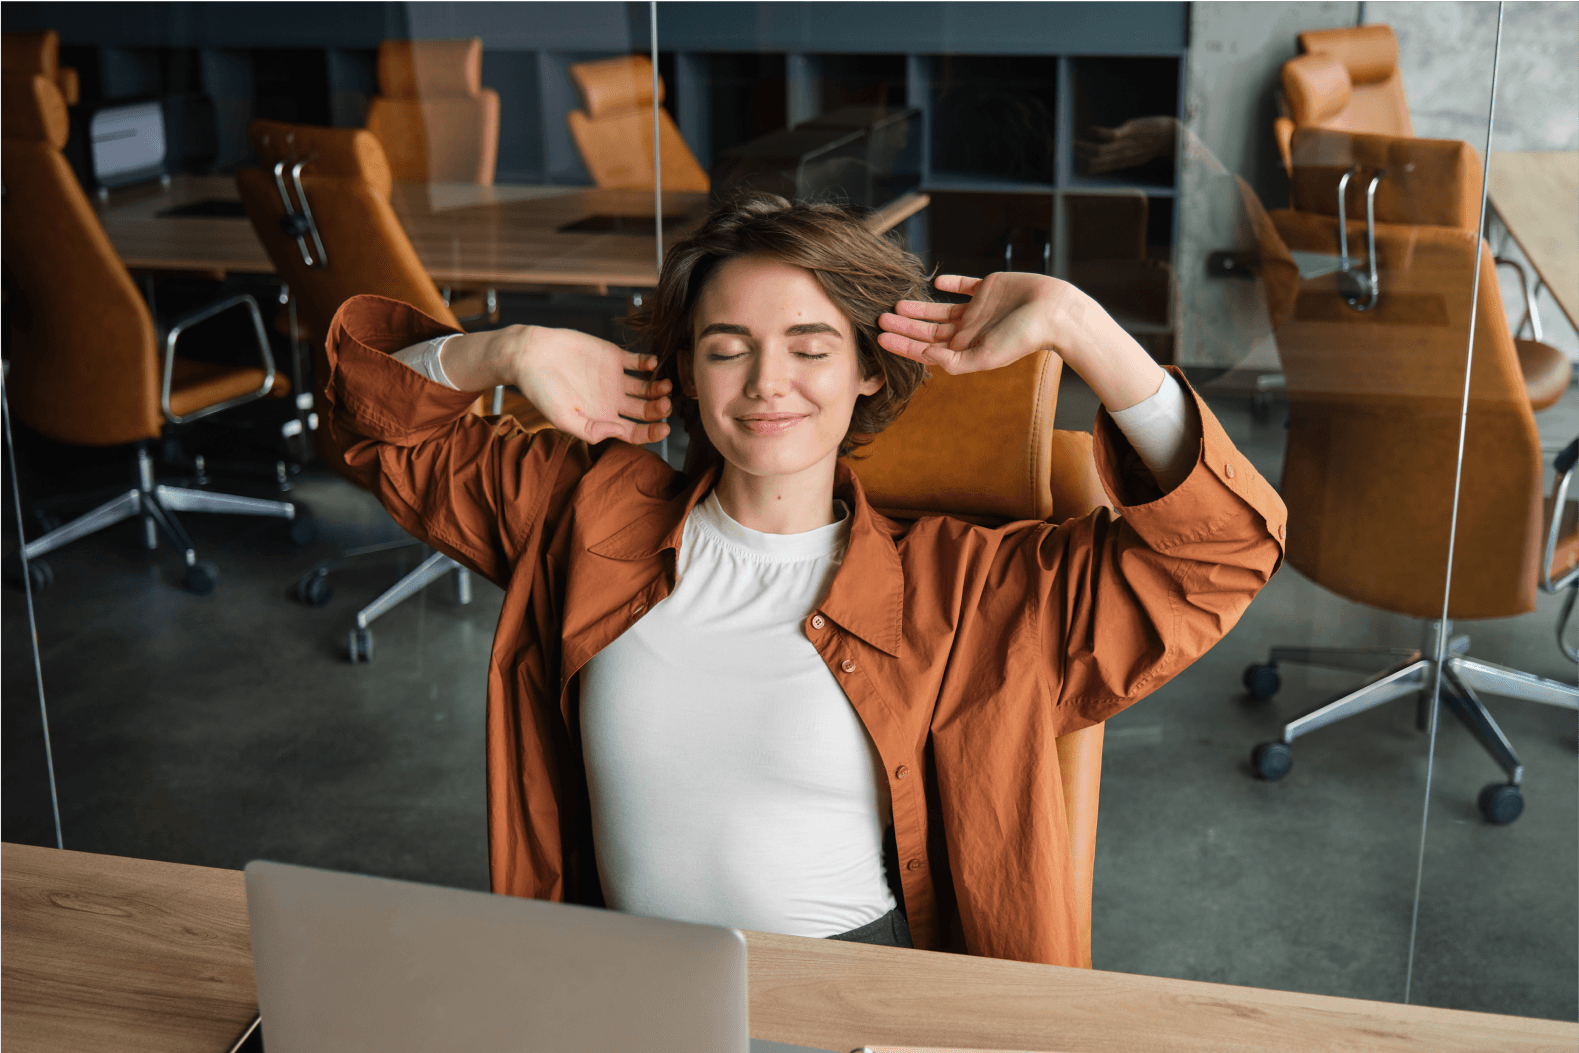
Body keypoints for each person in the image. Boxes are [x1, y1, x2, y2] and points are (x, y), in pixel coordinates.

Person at [316, 194, 1286, 966]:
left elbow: (1221, 553)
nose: (765, 382)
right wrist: (506, 350)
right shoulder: (587, 517)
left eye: (810, 348)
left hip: (850, 995)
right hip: (621, 989)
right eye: (725, 350)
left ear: (868, 366)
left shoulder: (967, 590)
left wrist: (1084, 331)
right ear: (688, 374)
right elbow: (370, 426)